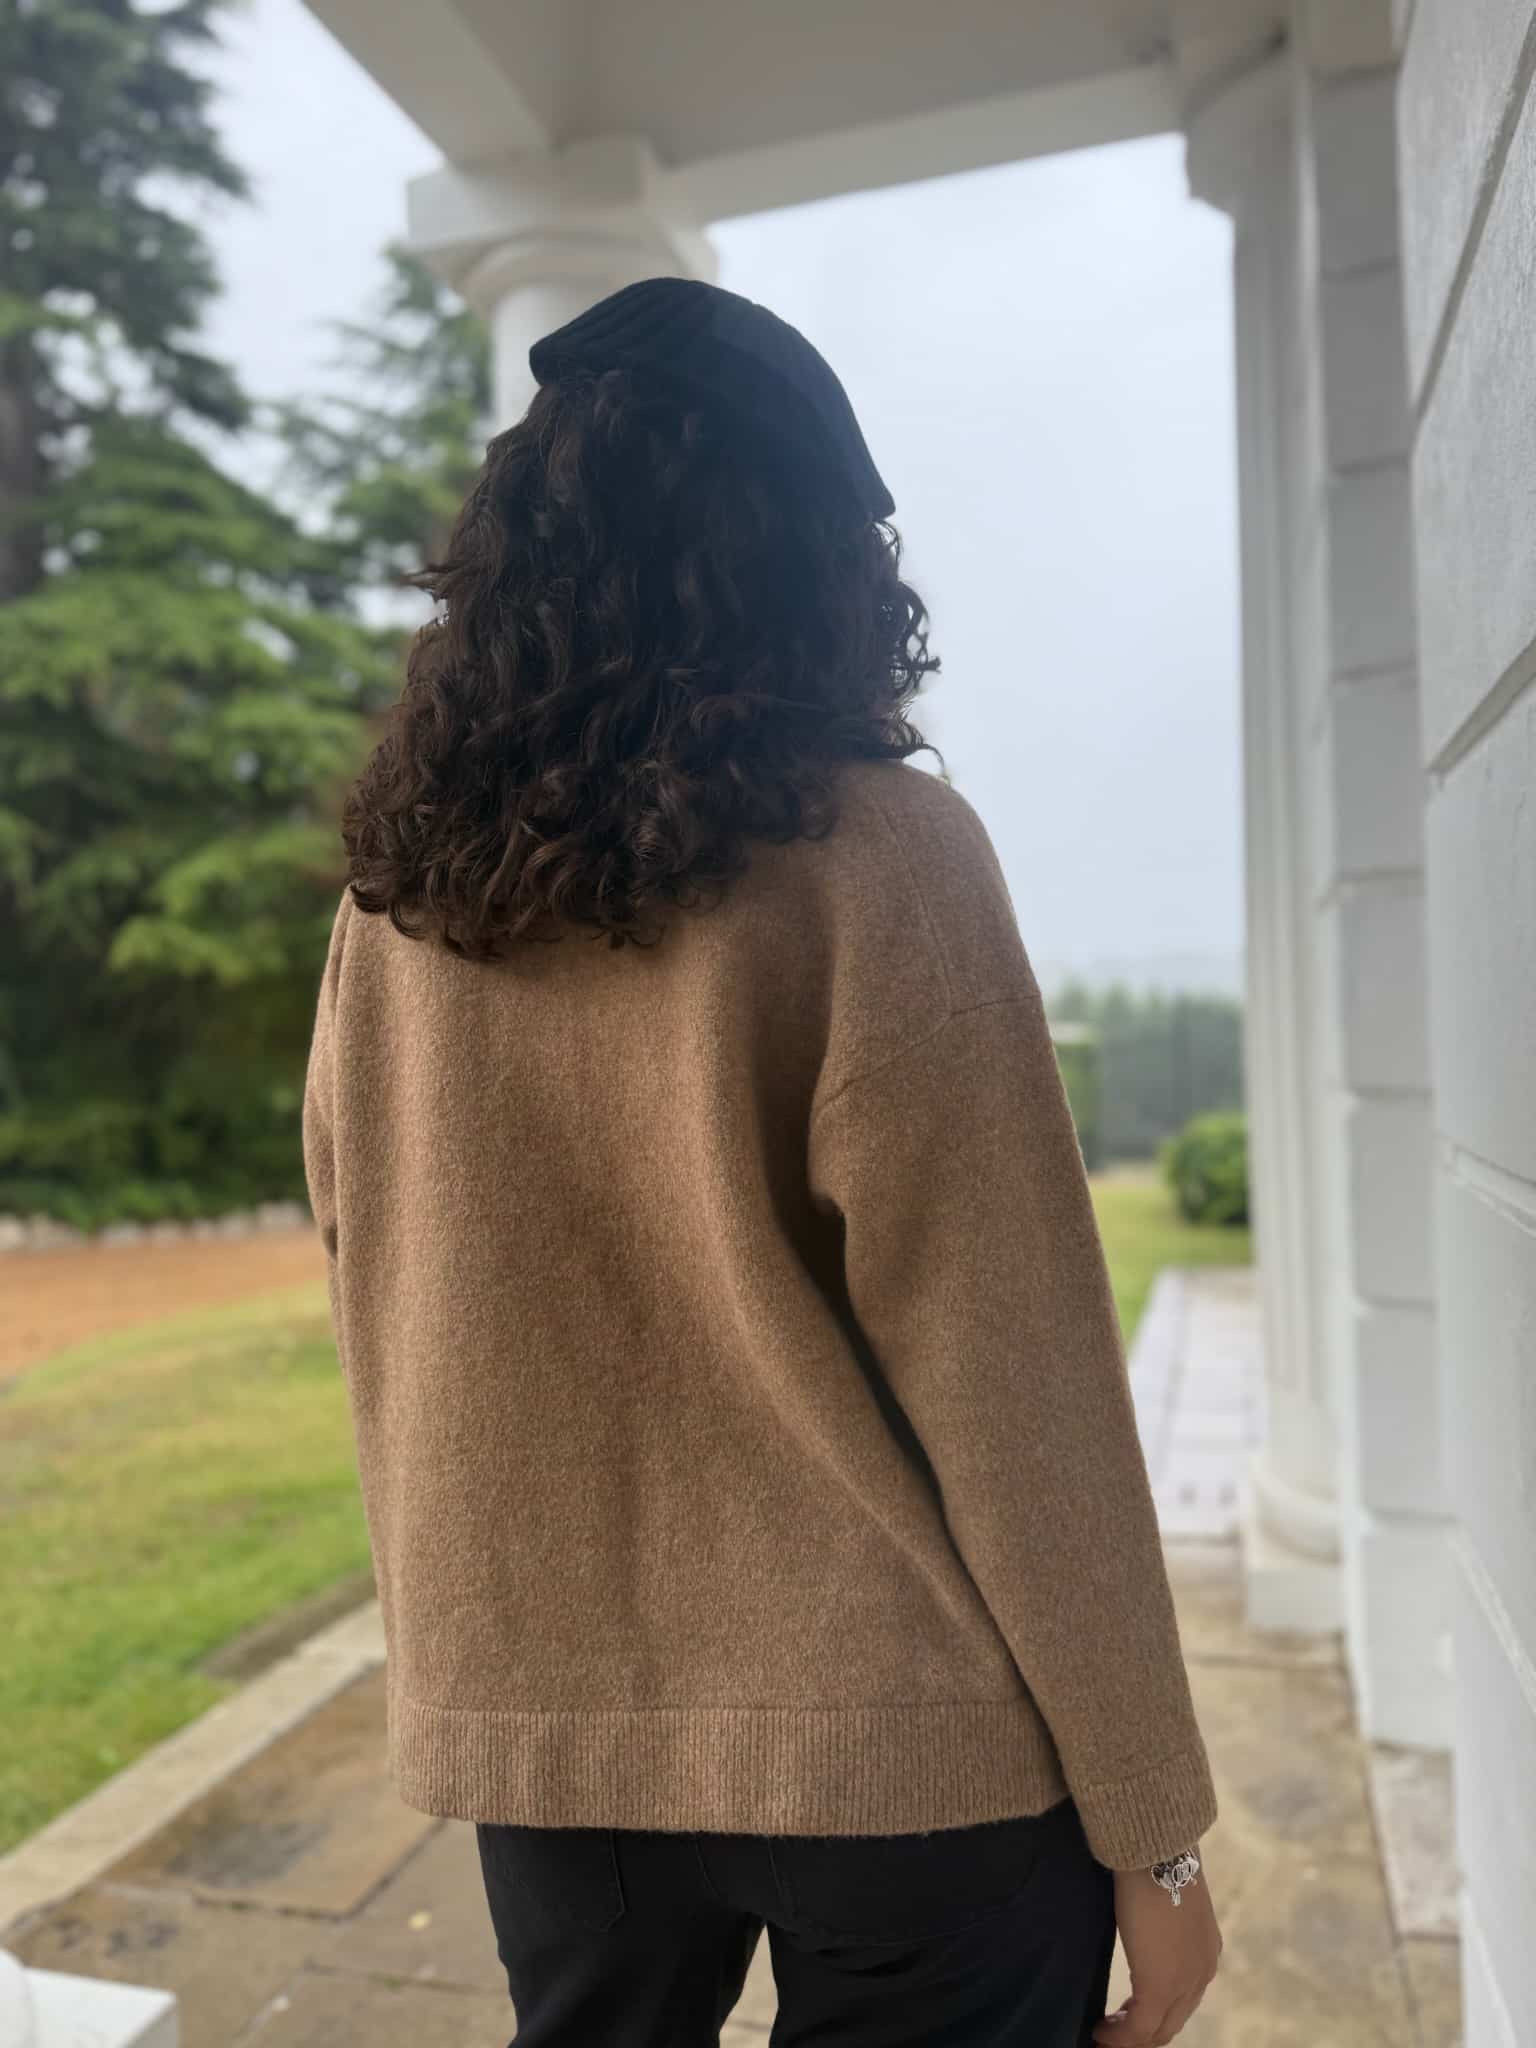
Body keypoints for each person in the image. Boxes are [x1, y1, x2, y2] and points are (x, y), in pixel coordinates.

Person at [301, 276, 1222, 2048]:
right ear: (822, 566)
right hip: (909, 1758)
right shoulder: (887, 854)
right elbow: (1017, 1375)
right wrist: (1153, 1830)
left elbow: (374, 1262)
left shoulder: (396, 911)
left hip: (555, 1759)